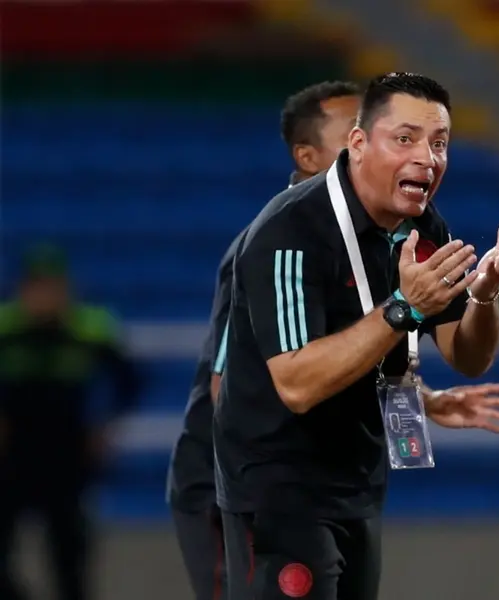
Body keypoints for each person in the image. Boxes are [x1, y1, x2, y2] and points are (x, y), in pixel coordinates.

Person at [214, 72, 499, 600]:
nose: (427, 157)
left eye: (439, 143)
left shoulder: (425, 226)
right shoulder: (291, 232)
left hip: (358, 483)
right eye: (405, 138)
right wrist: (404, 309)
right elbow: (296, 383)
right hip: (277, 489)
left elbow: (467, 355)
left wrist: (485, 295)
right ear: (358, 143)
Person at [166, 80, 362, 600]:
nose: (373, 142)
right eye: (355, 132)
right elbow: (223, 383)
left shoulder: (357, 242)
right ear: (309, 155)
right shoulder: (274, 239)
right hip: (237, 486)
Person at [0, 244, 141, 600]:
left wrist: (103, 426)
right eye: (37, 286)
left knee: (70, 562)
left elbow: (130, 380)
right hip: (10, 459)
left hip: (67, 458)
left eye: (53, 286)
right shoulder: (6, 328)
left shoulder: (90, 328)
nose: (45, 296)